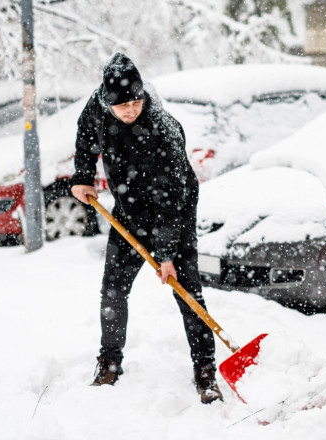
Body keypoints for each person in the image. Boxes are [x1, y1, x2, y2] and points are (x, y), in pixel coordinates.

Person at [70, 52, 222, 404]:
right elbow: (84, 135)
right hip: (128, 211)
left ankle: (205, 369)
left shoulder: (163, 129)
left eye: (135, 101)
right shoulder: (98, 106)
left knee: (188, 295)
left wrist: (166, 254)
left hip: (174, 215)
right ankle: (109, 361)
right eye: (121, 105)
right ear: (107, 101)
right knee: (113, 290)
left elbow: (171, 199)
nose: (129, 109)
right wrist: (82, 176)